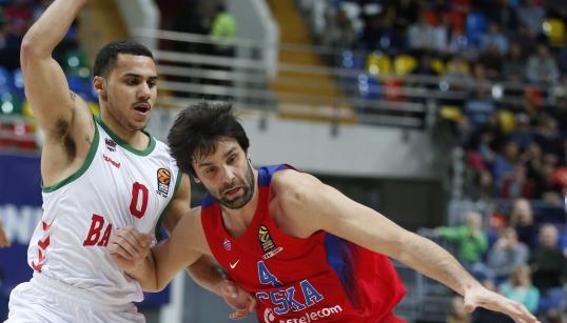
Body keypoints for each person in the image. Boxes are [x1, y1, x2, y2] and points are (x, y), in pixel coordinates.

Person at [110, 102, 540, 323]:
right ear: (199, 178)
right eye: (211, 169)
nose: (228, 175)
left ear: (245, 151)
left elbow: (402, 243)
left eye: (232, 158)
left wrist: (468, 286)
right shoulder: (199, 228)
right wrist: (135, 258)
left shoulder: (296, 198)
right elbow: (156, 274)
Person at [5, 0, 248, 322]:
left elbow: (186, 248)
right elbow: (34, 49)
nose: (145, 92)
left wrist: (221, 285)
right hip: (50, 306)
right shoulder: (77, 131)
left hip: (118, 312)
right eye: (132, 82)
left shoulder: (171, 167)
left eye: (151, 83)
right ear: (101, 87)